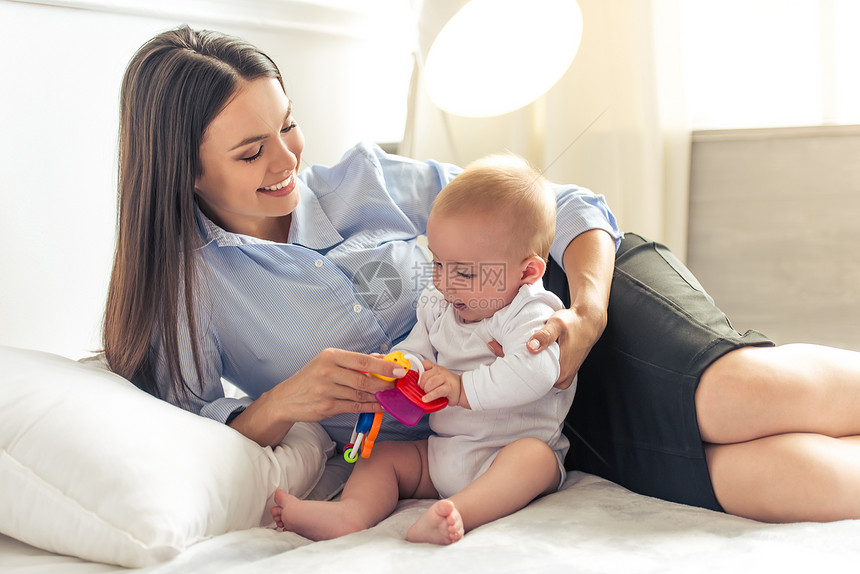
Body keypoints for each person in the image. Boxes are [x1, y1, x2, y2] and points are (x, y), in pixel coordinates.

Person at [103, 25, 860, 525]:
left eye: (288, 125)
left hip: (560, 303)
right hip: (502, 430)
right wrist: (280, 404)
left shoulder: (362, 179)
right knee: (776, 482)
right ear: (185, 172)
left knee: (732, 398)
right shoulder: (191, 291)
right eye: (249, 152)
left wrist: (587, 315)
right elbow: (189, 410)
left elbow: (563, 204)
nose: (288, 160)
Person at [270, 155, 573, 544]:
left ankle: (457, 512)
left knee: (533, 460)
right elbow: (418, 349)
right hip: (440, 454)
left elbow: (536, 373)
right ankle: (350, 513)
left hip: (507, 452)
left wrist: (462, 390)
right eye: (438, 263)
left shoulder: (531, 311)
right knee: (382, 457)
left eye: (463, 272)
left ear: (527, 272)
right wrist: (398, 367)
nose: (446, 283)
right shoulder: (440, 303)